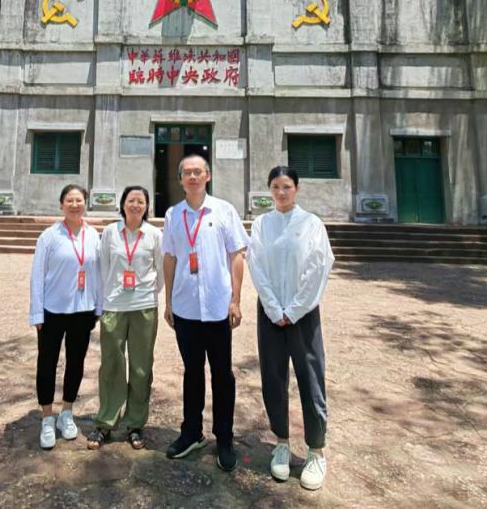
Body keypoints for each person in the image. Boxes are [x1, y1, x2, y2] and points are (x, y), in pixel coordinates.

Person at [247, 166, 335, 491]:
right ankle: (281, 443)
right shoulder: (262, 224)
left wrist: (295, 310)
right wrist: (274, 308)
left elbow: (319, 266)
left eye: (286, 186)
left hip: (303, 313)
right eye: (275, 187)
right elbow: (256, 264)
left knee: (311, 378)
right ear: (269, 190)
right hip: (270, 313)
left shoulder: (311, 224)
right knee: (273, 377)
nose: (281, 192)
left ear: (296, 188)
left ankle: (316, 450)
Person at [161, 154, 248, 472]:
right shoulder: (173, 214)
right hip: (185, 307)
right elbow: (170, 258)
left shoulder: (224, 210)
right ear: (180, 179)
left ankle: (224, 437)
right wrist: (168, 302)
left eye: (198, 171)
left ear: (208, 176)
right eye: (187, 172)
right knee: (192, 372)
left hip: (217, 307)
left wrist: (236, 300)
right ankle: (192, 432)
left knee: (222, 374)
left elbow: (237, 256)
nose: (193, 177)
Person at [87, 186, 163, 450]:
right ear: (123, 204)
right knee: (111, 364)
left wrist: (147, 293)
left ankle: (135, 424)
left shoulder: (154, 234)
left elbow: (160, 271)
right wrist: (107, 298)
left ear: (147, 206)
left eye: (141, 201)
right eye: (131, 200)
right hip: (114, 306)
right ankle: (106, 422)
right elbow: (103, 268)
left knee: (142, 367)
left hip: (144, 307)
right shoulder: (110, 232)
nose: (136, 205)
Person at [29, 184, 102, 450]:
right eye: (69, 200)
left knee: (76, 362)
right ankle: (47, 417)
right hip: (52, 310)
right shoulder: (49, 236)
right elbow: (37, 275)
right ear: (62, 204)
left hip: (82, 310)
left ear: (86, 204)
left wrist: (99, 306)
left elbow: (99, 273)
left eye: (79, 200)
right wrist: (37, 312)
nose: (74, 205)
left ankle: (67, 412)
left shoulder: (93, 236)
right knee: (47, 362)